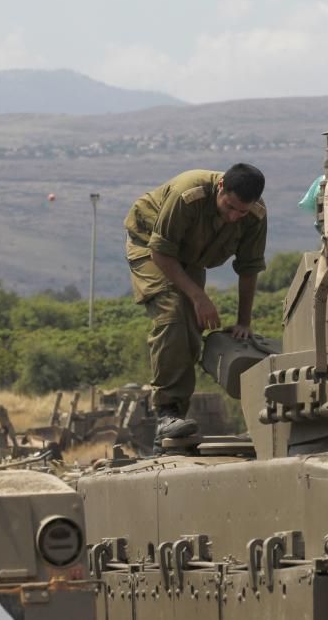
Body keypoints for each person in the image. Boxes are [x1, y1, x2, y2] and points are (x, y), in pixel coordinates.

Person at [124, 164, 267, 454]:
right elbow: (161, 251)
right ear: (221, 186)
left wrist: (243, 323)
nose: (233, 217)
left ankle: (175, 421)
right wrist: (198, 296)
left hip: (189, 257)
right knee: (174, 314)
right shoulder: (188, 194)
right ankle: (166, 413)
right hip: (150, 245)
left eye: (241, 211)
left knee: (192, 328)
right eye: (229, 207)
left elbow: (249, 268)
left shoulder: (254, 215)